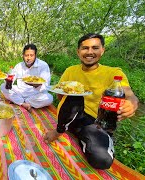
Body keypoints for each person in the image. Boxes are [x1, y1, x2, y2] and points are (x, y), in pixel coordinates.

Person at [43, 33, 139, 169]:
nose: (90, 52)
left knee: (102, 161)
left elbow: (129, 94)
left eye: (95, 48)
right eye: (85, 48)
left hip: (94, 123)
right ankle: (60, 130)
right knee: (74, 95)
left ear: (102, 50)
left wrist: (132, 103)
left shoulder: (113, 73)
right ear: (78, 52)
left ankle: (96, 139)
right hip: (68, 118)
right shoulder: (70, 71)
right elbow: (60, 96)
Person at [0, 44, 53, 111]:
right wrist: (7, 79)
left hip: (35, 94)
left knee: (49, 98)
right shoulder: (19, 66)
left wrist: (37, 85)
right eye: (26, 55)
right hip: (20, 91)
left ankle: (21, 101)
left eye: (31, 55)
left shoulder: (43, 65)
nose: (29, 58)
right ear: (23, 55)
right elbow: (11, 81)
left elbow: (46, 85)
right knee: (3, 86)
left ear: (35, 56)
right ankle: (23, 103)